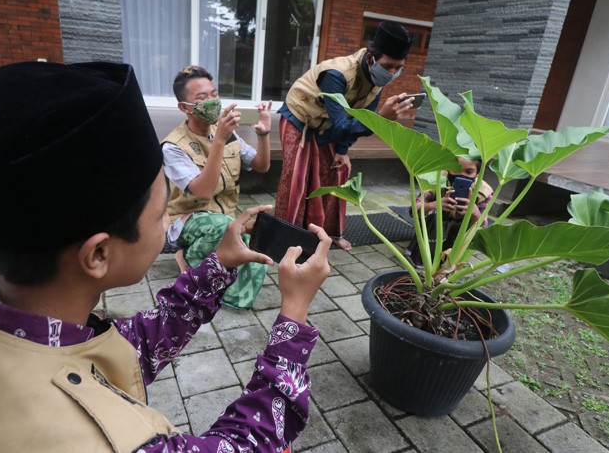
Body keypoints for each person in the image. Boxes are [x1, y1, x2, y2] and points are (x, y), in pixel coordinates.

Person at [0, 61, 332, 453]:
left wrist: (218, 265)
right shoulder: (96, 441)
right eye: (161, 216)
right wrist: (293, 315)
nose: (165, 227)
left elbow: (128, 347)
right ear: (98, 253)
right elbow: (247, 444)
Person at [275, 21, 416, 251]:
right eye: (388, 66)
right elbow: (345, 125)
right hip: (300, 118)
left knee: (337, 172)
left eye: (398, 68)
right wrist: (382, 118)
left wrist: (342, 151)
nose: (392, 73)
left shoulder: (376, 78)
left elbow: (361, 117)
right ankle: (285, 240)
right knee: (297, 180)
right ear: (371, 58)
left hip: (329, 123)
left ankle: (330, 235)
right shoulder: (337, 74)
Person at [162, 65, 272, 309]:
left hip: (225, 218)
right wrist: (219, 141)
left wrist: (263, 135)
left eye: (214, 94)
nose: (212, 101)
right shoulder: (173, 146)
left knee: (255, 242)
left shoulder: (228, 134)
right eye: (202, 98)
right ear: (184, 107)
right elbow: (203, 192)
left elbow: (261, 165)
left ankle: (228, 286)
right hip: (188, 221)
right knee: (225, 228)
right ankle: (189, 256)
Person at [406, 155, 494, 266]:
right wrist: (433, 205)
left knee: (472, 227)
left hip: (461, 230)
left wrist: (474, 212)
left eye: (469, 171)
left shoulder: (483, 192)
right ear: (447, 169)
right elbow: (413, 210)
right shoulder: (436, 180)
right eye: (456, 170)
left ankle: (453, 258)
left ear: (477, 173)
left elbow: (482, 227)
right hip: (436, 225)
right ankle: (424, 255)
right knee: (433, 215)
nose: (462, 175)